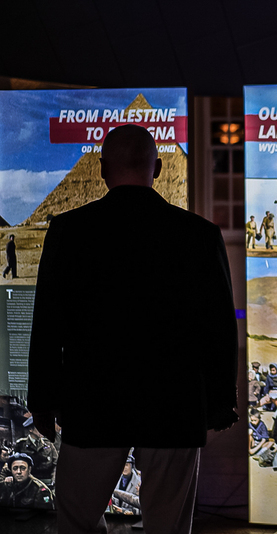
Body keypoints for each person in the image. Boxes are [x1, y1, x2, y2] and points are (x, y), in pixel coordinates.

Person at [27, 124, 238, 534]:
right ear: (158, 168)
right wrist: (219, 401)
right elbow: (219, 328)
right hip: (173, 407)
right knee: (169, 527)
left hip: (92, 404)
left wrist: (42, 399)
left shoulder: (68, 233)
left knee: (76, 521)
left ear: (102, 170)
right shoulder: (200, 235)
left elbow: (48, 324)